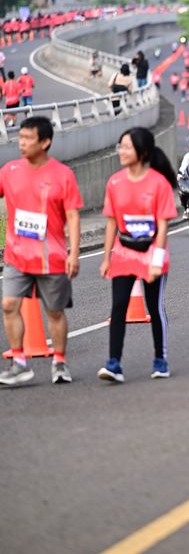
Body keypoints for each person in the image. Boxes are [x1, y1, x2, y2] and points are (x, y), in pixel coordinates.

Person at [0, 117, 83, 386]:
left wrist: (74, 253)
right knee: (8, 305)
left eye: (28, 138)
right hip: (16, 255)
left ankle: (59, 362)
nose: (21, 143)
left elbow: (73, 216)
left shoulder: (62, 175)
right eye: (20, 137)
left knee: (55, 312)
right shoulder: (9, 170)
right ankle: (19, 363)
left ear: (45, 142)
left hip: (51, 256)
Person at [98, 128, 178, 383]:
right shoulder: (115, 182)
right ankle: (113, 363)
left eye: (127, 147)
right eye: (120, 146)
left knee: (154, 308)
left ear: (142, 152)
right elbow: (112, 222)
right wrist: (106, 258)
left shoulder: (158, 183)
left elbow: (163, 227)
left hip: (151, 252)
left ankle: (160, 359)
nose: (121, 152)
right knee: (119, 306)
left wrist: (156, 262)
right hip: (123, 253)